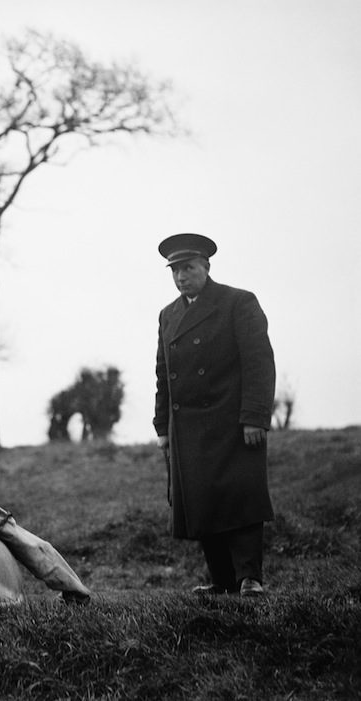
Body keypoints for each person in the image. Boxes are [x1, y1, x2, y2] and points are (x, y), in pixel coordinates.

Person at [153, 233, 276, 597]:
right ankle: (222, 580)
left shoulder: (238, 302)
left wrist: (255, 415)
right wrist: (162, 427)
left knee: (241, 498)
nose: (181, 276)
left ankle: (249, 578)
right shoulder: (168, 315)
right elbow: (163, 374)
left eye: (188, 268)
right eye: (175, 270)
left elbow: (259, 362)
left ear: (206, 266)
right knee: (202, 501)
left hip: (232, 421)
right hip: (187, 427)